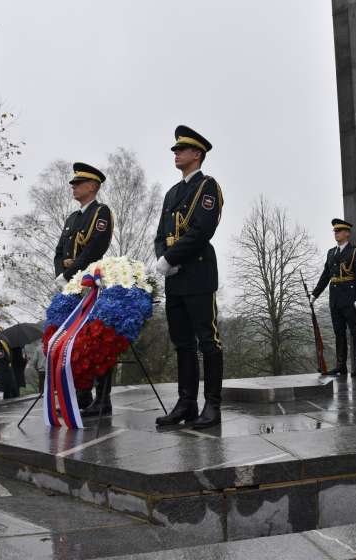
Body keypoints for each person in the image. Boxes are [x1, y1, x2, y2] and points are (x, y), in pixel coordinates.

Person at [154, 125, 225, 429]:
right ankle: (187, 403)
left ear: (197, 154)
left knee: (207, 341)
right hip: (175, 279)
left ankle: (212, 404)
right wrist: (163, 258)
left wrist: (172, 257)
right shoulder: (172, 192)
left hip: (197, 273)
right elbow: (161, 233)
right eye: (175, 149)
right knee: (182, 342)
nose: (176, 153)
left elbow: (202, 229)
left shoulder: (208, 187)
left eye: (181, 149)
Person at [53, 162, 114, 412]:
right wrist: (61, 274)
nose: (73, 187)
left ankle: (102, 399)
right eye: (74, 183)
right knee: (76, 344)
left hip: (91, 287)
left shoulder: (101, 212)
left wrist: (70, 271)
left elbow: (95, 248)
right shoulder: (71, 218)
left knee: (97, 343)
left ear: (93, 186)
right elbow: (59, 252)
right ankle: (81, 395)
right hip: (71, 288)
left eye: (78, 183)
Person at [311, 219, 356, 376]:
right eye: (335, 231)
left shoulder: (355, 252)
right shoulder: (331, 253)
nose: (336, 233)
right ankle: (341, 365)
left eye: (339, 231)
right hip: (335, 299)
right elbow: (325, 276)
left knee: (355, 331)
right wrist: (315, 293)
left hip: (351, 298)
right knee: (339, 332)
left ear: (347, 233)